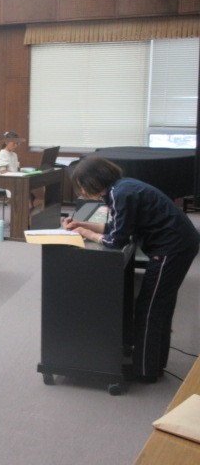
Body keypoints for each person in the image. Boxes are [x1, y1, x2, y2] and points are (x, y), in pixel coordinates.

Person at [65, 156, 200, 383]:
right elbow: (117, 226)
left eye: (82, 185)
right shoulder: (122, 187)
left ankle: (145, 372)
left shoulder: (121, 193)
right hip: (178, 244)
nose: (83, 191)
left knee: (150, 309)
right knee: (160, 306)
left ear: (94, 179)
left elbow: (114, 241)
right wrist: (83, 224)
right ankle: (154, 365)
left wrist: (85, 233)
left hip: (171, 248)